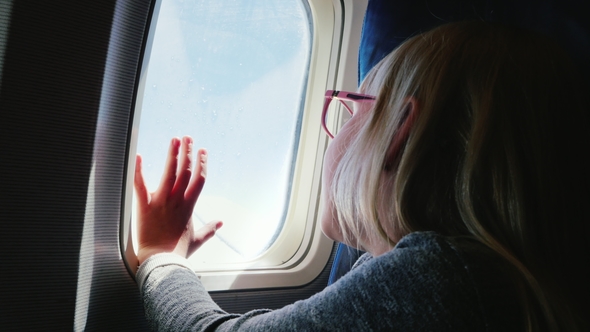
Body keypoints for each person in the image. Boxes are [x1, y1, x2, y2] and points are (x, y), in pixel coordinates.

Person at [134, 21, 589, 331]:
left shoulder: (442, 281)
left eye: (350, 110)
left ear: (399, 134)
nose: (331, 131)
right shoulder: (495, 280)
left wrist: (162, 257)